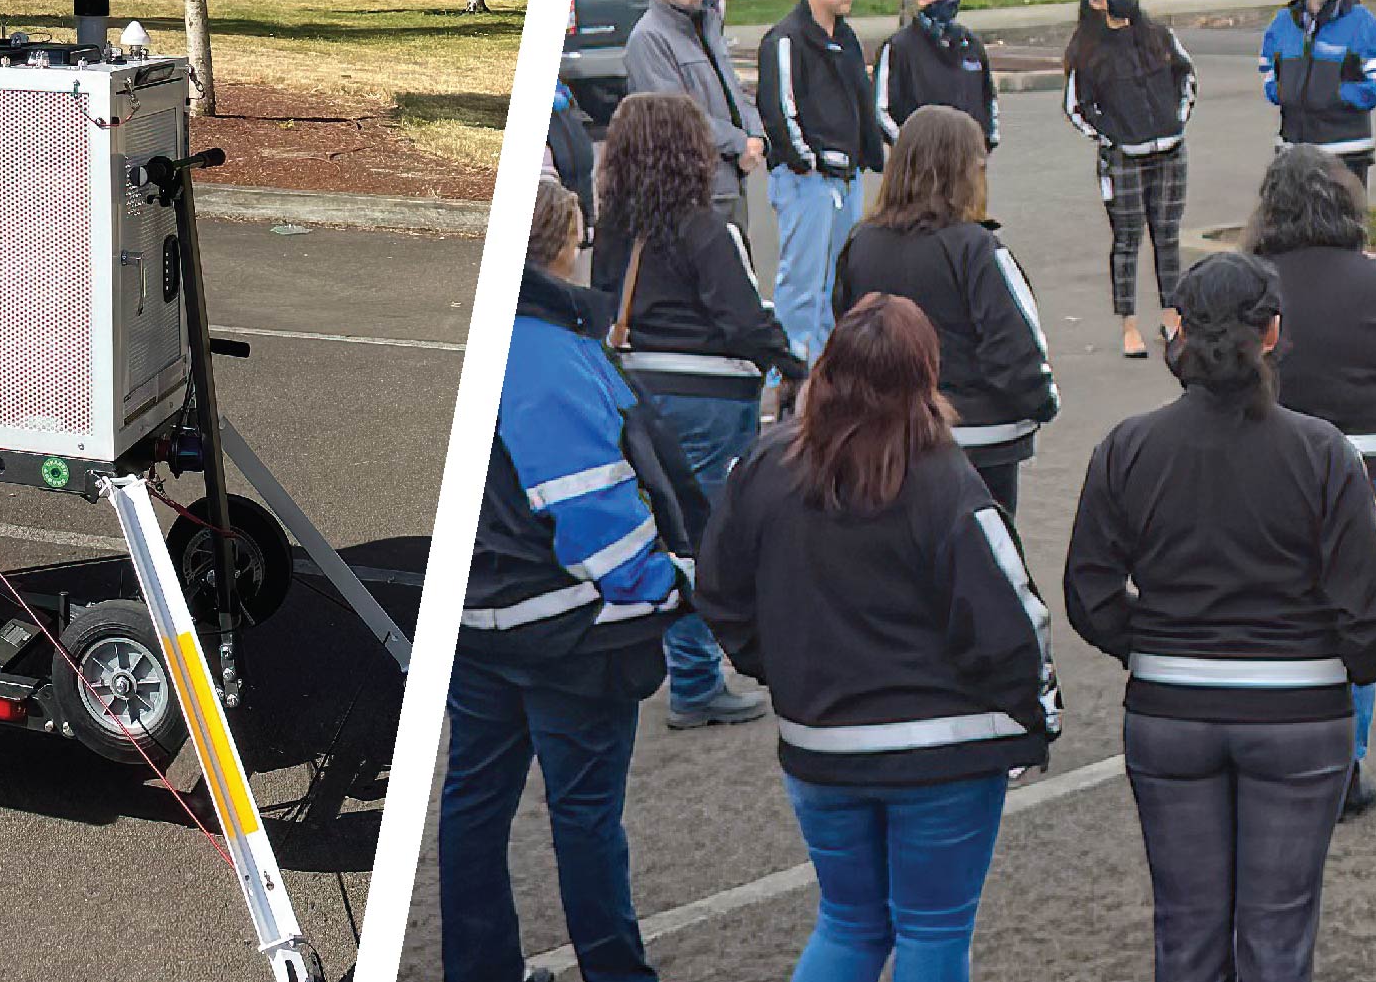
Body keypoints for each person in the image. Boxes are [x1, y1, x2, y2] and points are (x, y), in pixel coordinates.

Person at [1063, 253, 1376, 982]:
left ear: (1179, 332)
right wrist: (1339, 662)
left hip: (1170, 709)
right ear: (1274, 334)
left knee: (1185, 935)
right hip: (1298, 715)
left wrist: (1151, 645)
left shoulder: (1127, 448)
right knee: (1277, 939)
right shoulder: (1323, 452)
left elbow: (1088, 593)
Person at [696, 293, 1061, 982]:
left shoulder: (766, 468)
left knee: (849, 924)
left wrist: (780, 670)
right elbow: (1009, 620)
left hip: (820, 744)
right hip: (942, 757)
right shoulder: (946, 480)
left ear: (828, 367)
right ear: (925, 374)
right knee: (934, 933)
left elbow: (719, 594)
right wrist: (1035, 713)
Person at [442, 177, 711, 982]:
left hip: (476, 621)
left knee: (474, 810)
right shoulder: (549, 354)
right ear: (562, 247)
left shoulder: (486, 337)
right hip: (566, 631)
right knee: (586, 818)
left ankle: (481, 967)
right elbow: (594, 513)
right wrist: (668, 586)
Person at [1243, 145, 1376, 819]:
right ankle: (1344, 762)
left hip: (1266, 463)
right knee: (1361, 605)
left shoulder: (1247, 280)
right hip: (1368, 461)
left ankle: (1264, 743)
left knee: (1270, 600)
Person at [592, 92, 800, 730]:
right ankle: (698, 678)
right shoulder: (709, 229)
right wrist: (796, 368)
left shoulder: (617, 231)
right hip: (708, 401)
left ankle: (678, 671)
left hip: (632, 393)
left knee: (659, 534)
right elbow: (743, 320)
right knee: (706, 540)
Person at [834, 106, 1059, 515]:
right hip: (978, 438)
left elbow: (846, 333)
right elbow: (1014, 349)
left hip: (891, 438)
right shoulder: (976, 249)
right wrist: (1042, 404)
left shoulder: (860, 245)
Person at [759, 0, 889, 363]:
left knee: (837, 283)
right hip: (807, 182)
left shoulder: (846, 38)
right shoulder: (784, 39)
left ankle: (830, 371)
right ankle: (794, 375)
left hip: (846, 179)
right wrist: (808, 163)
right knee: (802, 284)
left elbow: (862, 103)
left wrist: (867, 156)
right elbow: (779, 110)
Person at [1064, 0, 1197, 360]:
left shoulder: (1159, 36)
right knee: (1127, 241)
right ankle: (1129, 325)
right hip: (1124, 159)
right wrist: (1113, 137)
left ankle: (1173, 319)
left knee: (1168, 237)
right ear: (1094, 2)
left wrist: (1177, 119)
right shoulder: (1086, 51)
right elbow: (1077, 108)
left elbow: (1186, 79)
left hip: (1171, 151)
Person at [623, 0, 764, 221]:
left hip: (731, 182)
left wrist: (757, 136)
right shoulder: (648, 39)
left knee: (740, 259)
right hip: (693, 190)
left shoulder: (707, 25)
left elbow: (734, 88)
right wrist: (739, 143)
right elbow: (675, 118)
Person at [1258, 0, 1376, 186]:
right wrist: (1281, 92)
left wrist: (1338, 95)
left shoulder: (1362, 23)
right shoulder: (1284, 22)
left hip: (1345, 150)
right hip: (1293, 148)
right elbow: (1268, 66)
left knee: (1342, 221)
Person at [879, 0, 1000, 152]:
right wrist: (911, 149)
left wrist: (987, 142)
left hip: (967, 160)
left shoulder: (970, 44)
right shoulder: (899, 47)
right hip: (922, 165)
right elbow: (883, 110)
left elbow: (988, 97)